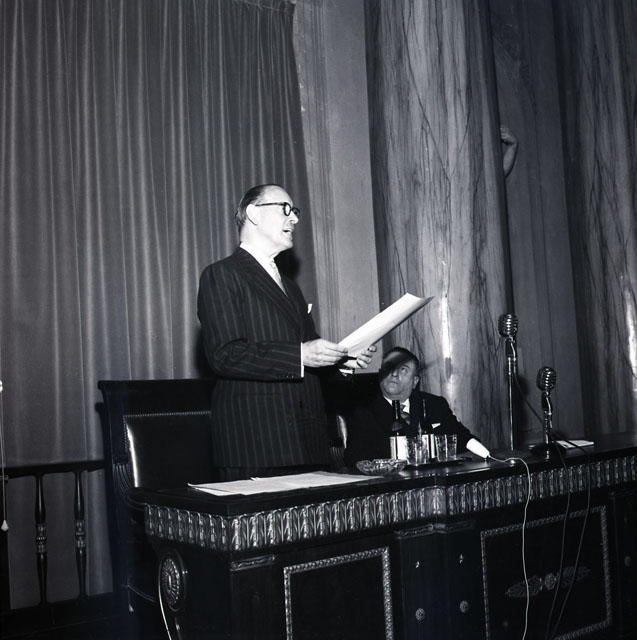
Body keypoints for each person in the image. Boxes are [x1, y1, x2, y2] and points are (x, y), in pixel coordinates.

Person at [197, 183, 375, 481]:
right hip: (257, 445)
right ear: (253, 214)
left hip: (308, 444)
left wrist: (342, 362)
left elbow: (308, 358)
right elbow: (225, 355)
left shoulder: (290, 286)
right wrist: (300, 355)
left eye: (295, 212)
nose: (294, 218)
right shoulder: (222, 274)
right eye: (285, 209)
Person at [344, 347, 483, 466]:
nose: (394, 374)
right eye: (389, 367)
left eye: (403, 370)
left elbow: (464, 439)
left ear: (415, 381)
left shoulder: (434, 404)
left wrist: (485, 454)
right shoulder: (362, 409)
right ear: (380, 373)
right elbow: (355, 460)